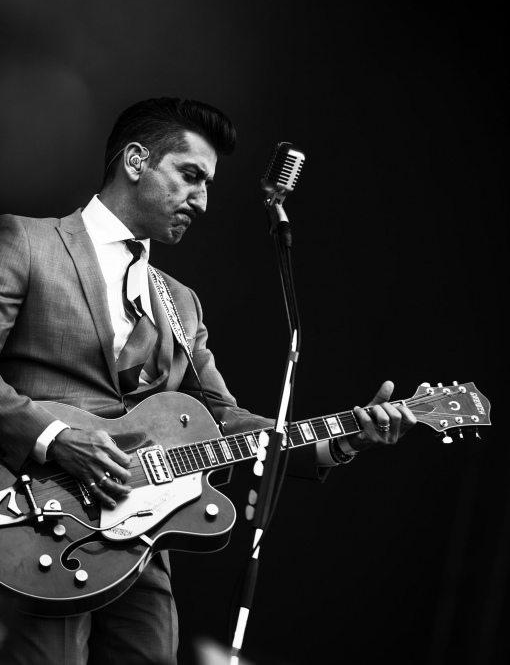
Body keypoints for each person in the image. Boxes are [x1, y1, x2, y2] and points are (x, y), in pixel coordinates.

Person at [0, 97, 416, 664]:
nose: (202, 200)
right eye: (190, 176)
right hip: (32, 510)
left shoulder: (180, 303)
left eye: (208, 184)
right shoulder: (28, 243)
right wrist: (57, 439)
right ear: (137, 160)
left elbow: (221, 415)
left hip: (141, 535)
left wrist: (340, 438)